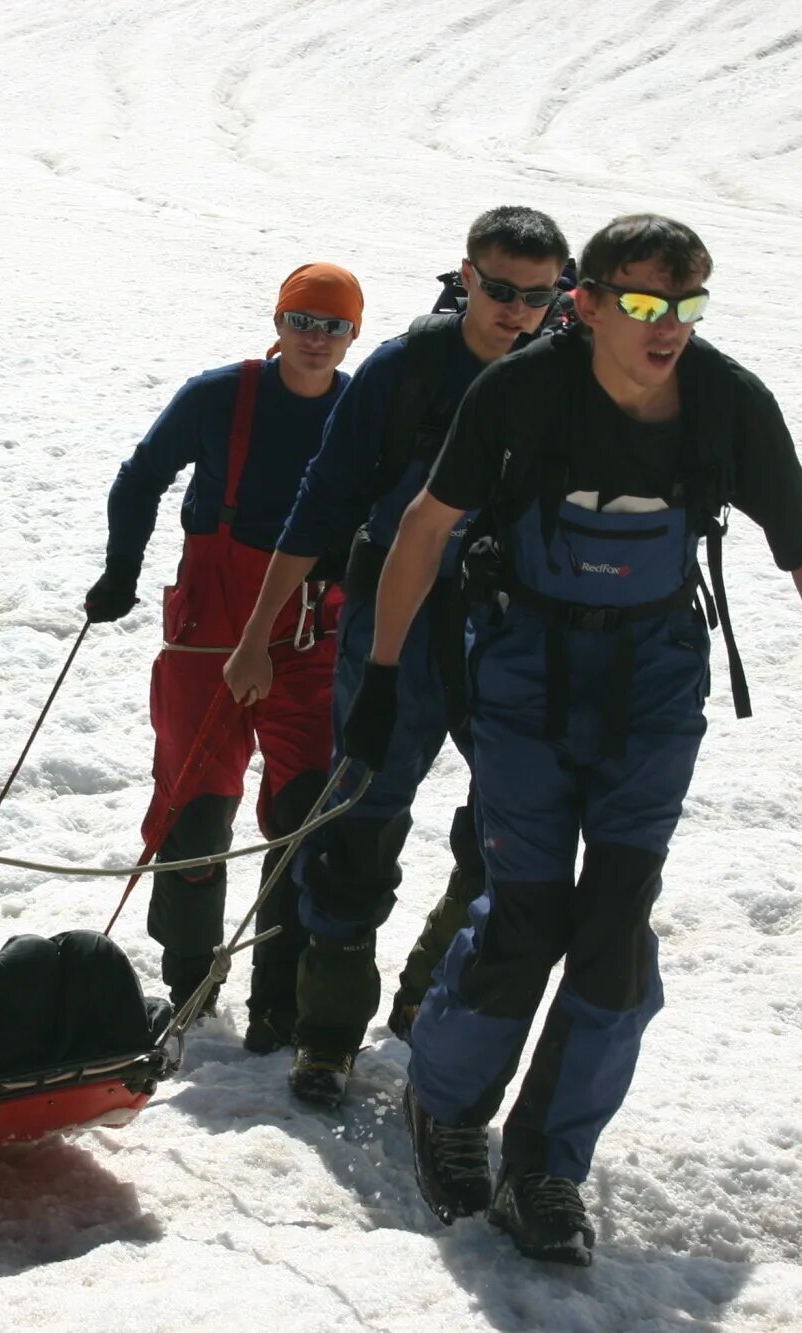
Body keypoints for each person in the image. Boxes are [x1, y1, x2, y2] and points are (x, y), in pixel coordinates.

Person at [354, 214, 802, 1265]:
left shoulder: (727, 402)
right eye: (639, 303)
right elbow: (424, 527)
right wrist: (382, 678)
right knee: (528, 910)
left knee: (616, 927)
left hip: (654, 683)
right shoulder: (520, 391)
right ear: (582, 303)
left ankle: (544, 1166)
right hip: (525, 675)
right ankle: (444, 1108)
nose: (665, 326)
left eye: (683, 304)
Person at [223, 207, 571, 1105]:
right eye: (499, 290)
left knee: (507, 833)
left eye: (538, 296)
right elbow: (324, 501)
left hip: (515, 629)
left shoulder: (575, 378)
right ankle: (328, 1033)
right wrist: (258, 633)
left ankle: (429, 1001)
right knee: (359, 816)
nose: (516, 312)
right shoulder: (409, 368)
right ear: (467, 276)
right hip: (395, 619)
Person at [85, 263, 361, 1053]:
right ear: (276, 322)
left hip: (310, 638)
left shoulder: (361, 411)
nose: (316, 338)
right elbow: (141, 478)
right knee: (197, 807)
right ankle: (190, 975)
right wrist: (120, 572)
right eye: (302, 320)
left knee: (301, 814)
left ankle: (282, 996)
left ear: (354, 336)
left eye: (333, 326)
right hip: (209, 630)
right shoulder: (219, 396)